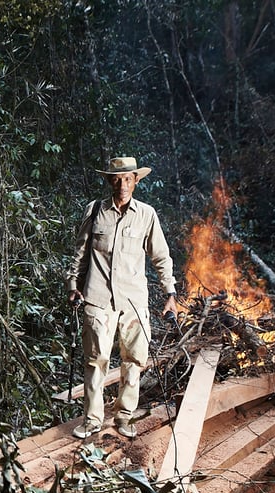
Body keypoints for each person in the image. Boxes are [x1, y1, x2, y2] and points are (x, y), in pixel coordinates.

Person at [66, 156, 178, 439]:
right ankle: (92, 419)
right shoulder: (94, 212)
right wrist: (72, 284)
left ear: (136, 181)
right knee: (95, 360)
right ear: (109, 181)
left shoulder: (146, 215)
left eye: (128, 179)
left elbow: (161, 257)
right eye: (117, 179)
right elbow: (80, 253)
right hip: (98, 297)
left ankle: (124, 416)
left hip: (133, 300)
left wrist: (170, 293)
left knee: (134, 359)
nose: (123, 184)